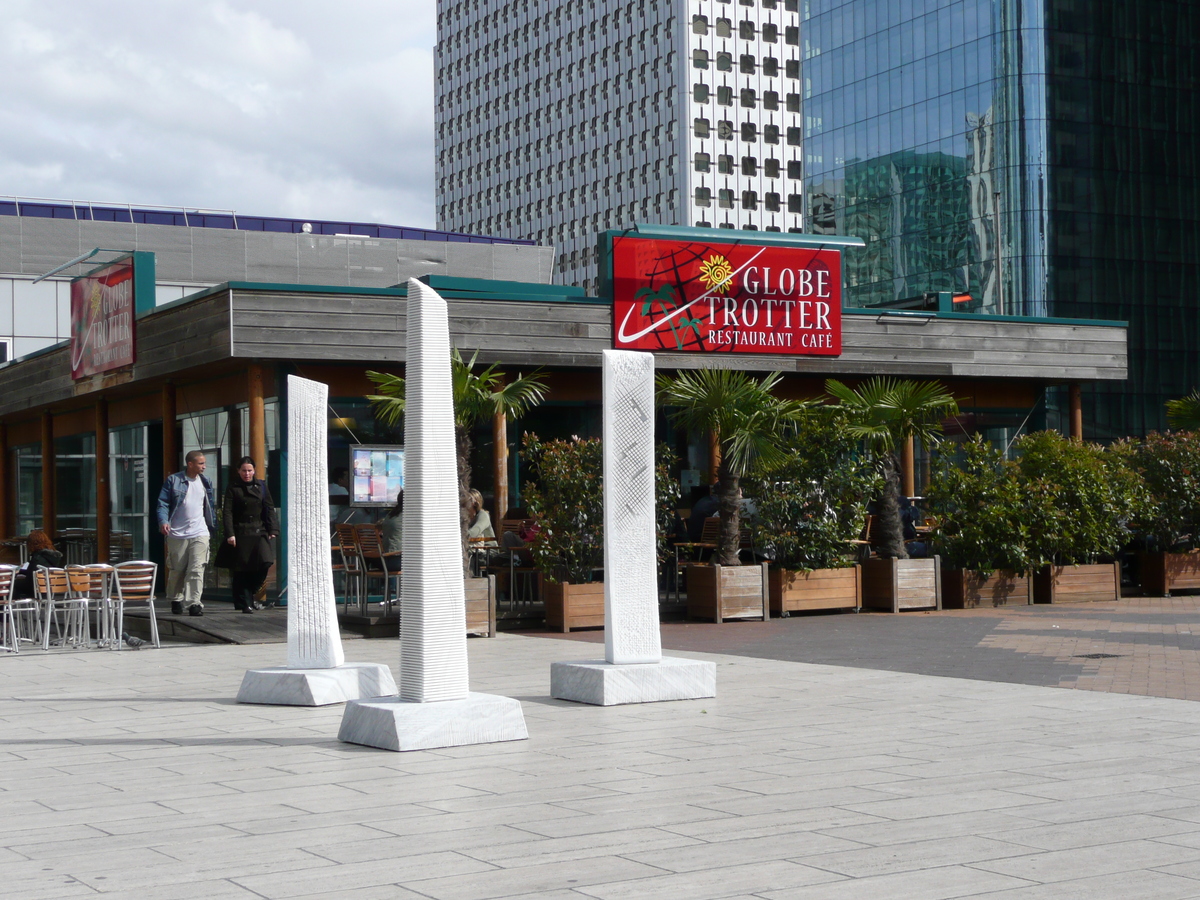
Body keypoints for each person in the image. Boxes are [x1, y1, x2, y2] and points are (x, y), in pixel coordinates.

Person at [156, 450, 216, 616]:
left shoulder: (206, 481)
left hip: (200, 531)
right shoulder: (174, 481)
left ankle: (194, 603)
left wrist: (211, 526)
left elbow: (209, 506)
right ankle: (175, 598)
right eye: (201, 463)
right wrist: (164, 521)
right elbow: (163, 503)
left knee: (197, 568)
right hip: (177, 533)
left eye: (204, 463)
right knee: (178, 569)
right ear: (190, 464)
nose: (204, 466)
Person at [216, 457, 278, 614]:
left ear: (254, 471)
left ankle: (248, 594)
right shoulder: (233, 487)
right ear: (238, 471)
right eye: (244, 470)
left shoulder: (261, 486)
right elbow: (227, 512)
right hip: (241, 532)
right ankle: (245, 603)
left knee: (265, 563)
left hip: (259, 530)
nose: (247, 473)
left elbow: (269, 508)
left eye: (250, 470)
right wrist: (230, 534)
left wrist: (273, 529)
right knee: (243, 569)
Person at [13, 530, 64, 599]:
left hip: (36, 589)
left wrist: (17, 575)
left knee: (10, 584)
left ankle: (6, 605)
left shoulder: (37, 557)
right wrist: (22, 571)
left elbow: (31, 578)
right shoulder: (52, 557)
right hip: (48, 589)